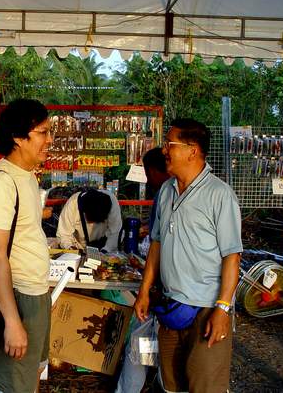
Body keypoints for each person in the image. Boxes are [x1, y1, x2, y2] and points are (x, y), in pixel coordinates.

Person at [134, 119, 243, 393]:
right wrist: (144, 291)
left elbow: (232, 256)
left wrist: (222, 309)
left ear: (192, 150)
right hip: (171, 306)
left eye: (169, 144)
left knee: (205, 385)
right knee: (171, 385)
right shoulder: (166, 191)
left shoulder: (220, 195)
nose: (164, 151)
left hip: (206, 309)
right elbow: (157, 244)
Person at [0, 99, 52, 393]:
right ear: (19, 138)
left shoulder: (27, 178)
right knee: (13, 383)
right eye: (43, 133)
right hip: (17, 297)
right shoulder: (1, 183)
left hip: (35, 294)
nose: (49, 141)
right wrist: (12, 321)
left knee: (30, 375)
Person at [56, 188, 122, 252]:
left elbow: (115, 231)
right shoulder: (72, 204)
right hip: (79, 246)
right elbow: (64, 234)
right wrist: (70, 247)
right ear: (84, 212)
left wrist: (106, 250)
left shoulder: (111, 201)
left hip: (103, 243)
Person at [142, 147, 171, 237]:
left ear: (152, 171)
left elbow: (156, 237)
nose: (148, 181)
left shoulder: (162, 194)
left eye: (147, 174)